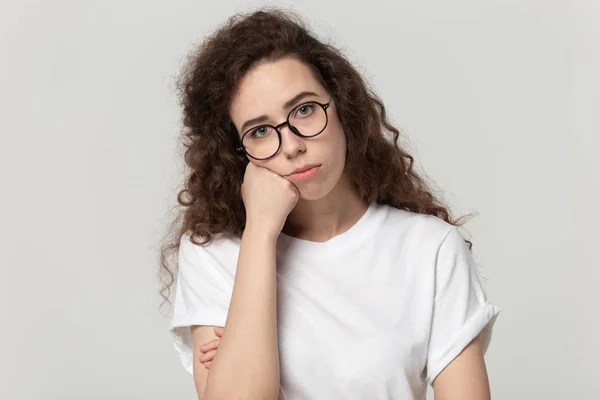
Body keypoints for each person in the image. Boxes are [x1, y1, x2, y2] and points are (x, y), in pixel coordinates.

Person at [160, 7, 501, 400]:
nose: (292, 145)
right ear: (237, 151)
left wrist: (244, 347)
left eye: (304, 110)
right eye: (259, 131)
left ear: (342, 105)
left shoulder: (430, 249)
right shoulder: (215, 253)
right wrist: (260, 232)